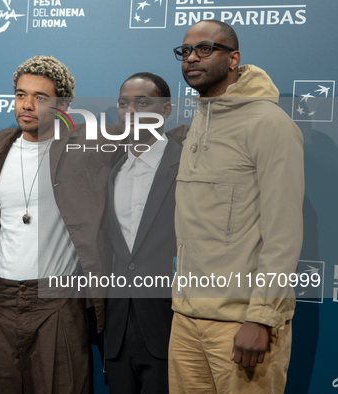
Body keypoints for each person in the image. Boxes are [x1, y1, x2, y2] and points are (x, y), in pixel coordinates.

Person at [0, 55, 121, 394]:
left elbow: (148, 144)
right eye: (21, 95)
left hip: (58, 301)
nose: (27, 105)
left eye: (40, 98)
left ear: (63, 104)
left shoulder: (87, 146)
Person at [169, 20, 304, 393]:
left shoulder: (269, 124)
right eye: (185, 51)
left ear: (233, 59)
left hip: (242, 325)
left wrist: (261, 319)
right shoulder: (197, 123)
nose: (191, 57)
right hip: (186, 318)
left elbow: (283, 233)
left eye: (205, 48)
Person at [104, 72, 180, 394]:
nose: (130, 111)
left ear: (165, 111)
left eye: (142, 102)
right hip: (117, 329)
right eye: (124, 103)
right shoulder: (114, 169)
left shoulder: (187, 165)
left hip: (169, 323)